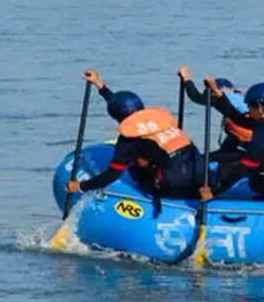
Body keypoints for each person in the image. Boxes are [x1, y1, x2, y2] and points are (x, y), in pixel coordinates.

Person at [65, 69, 205, 215]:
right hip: (198, 178)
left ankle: (153, 198)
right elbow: (124, 108)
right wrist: (99, 85)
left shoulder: (128, 140)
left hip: (172, 186)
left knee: (131, 163)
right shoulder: (159, 119)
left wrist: (80, 186)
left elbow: (111, 175)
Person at [178, 65, 252, 197]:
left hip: (247, 147)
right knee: (224, 150)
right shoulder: (238, 97)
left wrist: (186, 79)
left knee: (208, 158)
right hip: (239, 140)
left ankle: (214, 189)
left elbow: (196, 97)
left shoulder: (226, 98)